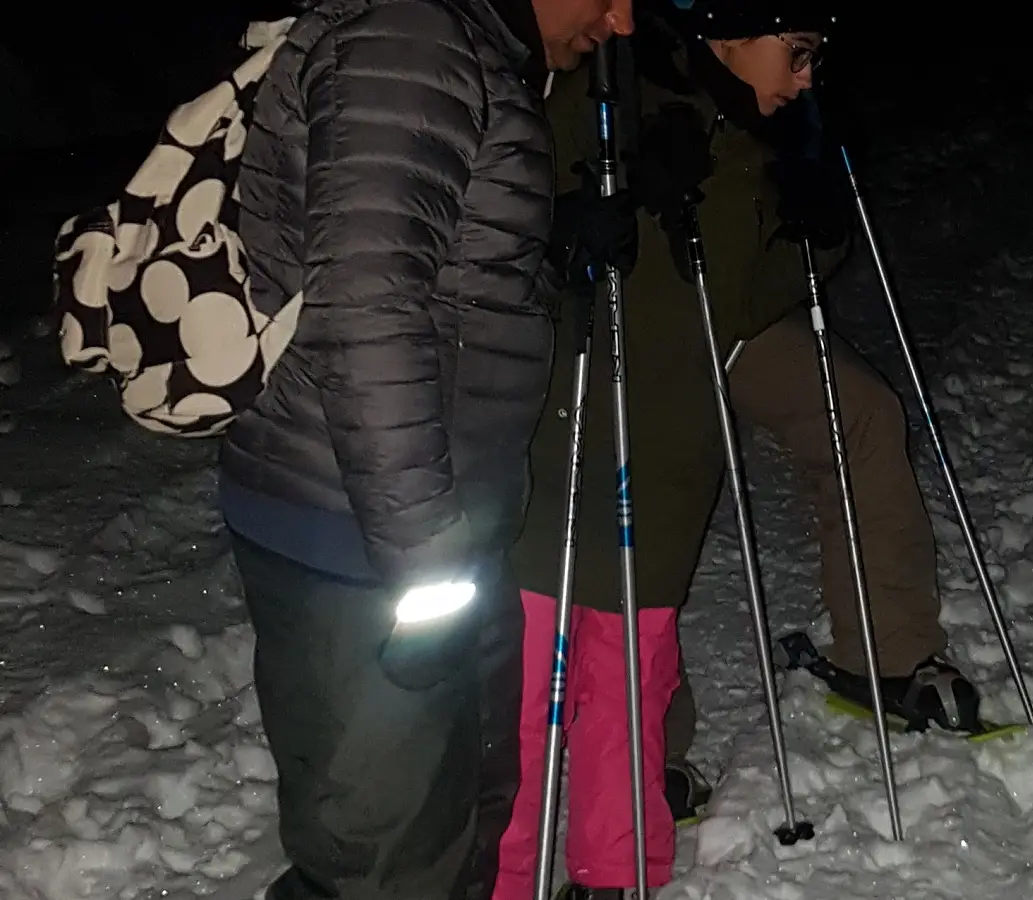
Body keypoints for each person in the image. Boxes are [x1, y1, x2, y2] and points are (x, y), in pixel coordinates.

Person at [495, 2, 981, 897]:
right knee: (526, 686)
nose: (806, 78)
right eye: (795, 53)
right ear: (729, 29)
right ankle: (497, 871)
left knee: (632, 672)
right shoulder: (610, 79)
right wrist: (570, 220)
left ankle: (617, 866)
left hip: (670, 441)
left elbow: (743, 300)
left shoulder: (755, 139)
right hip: (567, 426)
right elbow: (500, 212)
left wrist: (815, 221)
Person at [217, 0, 632, 897]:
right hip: (362, 535)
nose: (622, 18)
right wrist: (423, 563)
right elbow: (367, 302)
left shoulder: (460, 41)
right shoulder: (413, 33)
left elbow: (429, 260)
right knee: (385, 860)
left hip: (420, 528)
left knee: (457, 829)